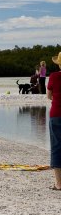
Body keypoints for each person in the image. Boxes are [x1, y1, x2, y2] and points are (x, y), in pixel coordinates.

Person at [47, 52, 61, 190]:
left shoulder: (54, 76)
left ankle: (59, 183)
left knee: (57, 147)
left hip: (56, 114)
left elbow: (49, 96)